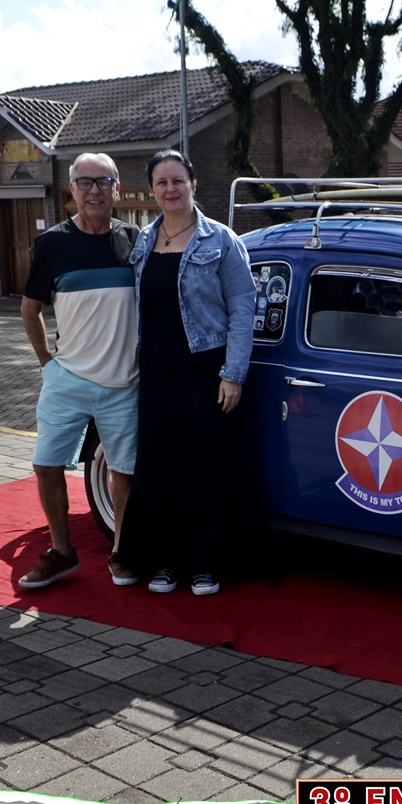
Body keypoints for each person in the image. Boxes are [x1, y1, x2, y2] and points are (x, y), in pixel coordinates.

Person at [117, 149, 255, 596]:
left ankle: (204, 565)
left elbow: (243, 308)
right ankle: (165, 563)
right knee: (160, 469)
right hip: (157, 372)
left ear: (193, 184)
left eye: (178, 180)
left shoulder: (222, 240)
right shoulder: (143, 241)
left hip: (206, 371)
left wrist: (233, 374)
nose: (170, 189)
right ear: (152, 190)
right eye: (161, 182)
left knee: (204, 469)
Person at [18, 153, 142, 589]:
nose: (95, 190)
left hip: (124, 383)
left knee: (124, 473)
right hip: (67, 380)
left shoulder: (136, 242)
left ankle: (122, 553)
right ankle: (62, 552)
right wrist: (47, 365)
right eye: (85, 182)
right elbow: (30, 309)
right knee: (46, 465)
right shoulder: (51, 244)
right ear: (71, 189)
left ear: (117, 188)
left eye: (104, 181)